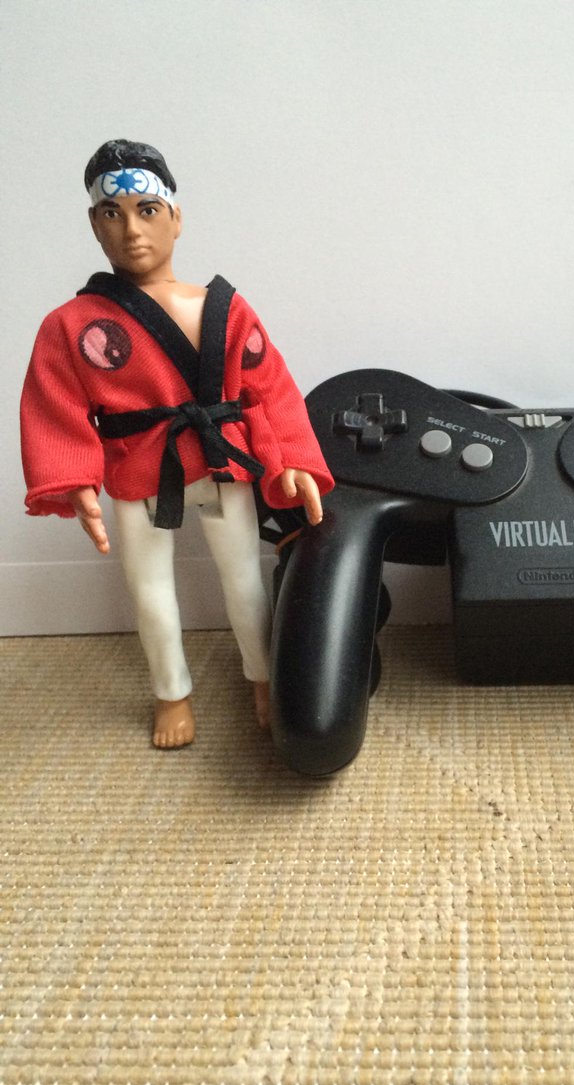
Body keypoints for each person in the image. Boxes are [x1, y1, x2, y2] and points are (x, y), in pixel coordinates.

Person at [20, 139, 334, 749]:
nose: (132, 230)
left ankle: (263, 677)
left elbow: (269, 389)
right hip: (139, 469)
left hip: (221, 463)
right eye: (112, 214)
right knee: (150, 594)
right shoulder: (71, 324)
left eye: (147, 210)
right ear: (94, 225)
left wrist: (292, 458)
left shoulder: (225, 307)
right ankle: (171, 692)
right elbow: (55, 405)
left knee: (244, 582)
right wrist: (74, 479)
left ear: (176, 217)